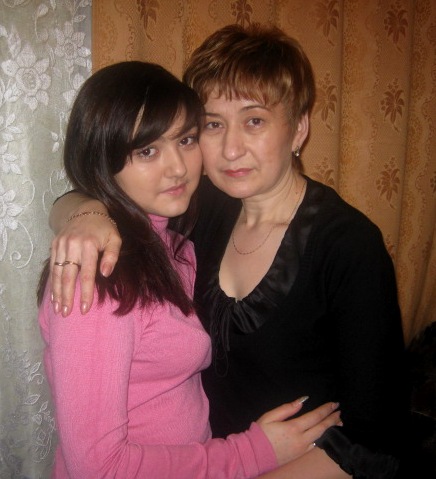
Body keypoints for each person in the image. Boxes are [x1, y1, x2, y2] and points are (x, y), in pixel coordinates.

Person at [48, 25, 410, 478]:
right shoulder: (200, 210)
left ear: (299, 128)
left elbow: (375, 435)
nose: (231, 149)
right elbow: (99, 186)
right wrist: (84, 215)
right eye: (213, 125)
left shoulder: (348, 246)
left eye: (254, 121)